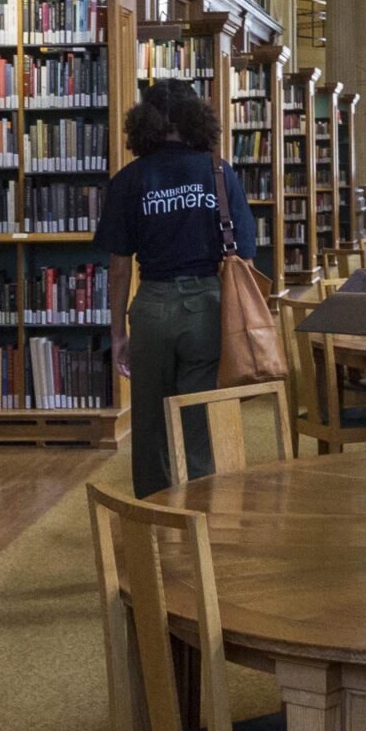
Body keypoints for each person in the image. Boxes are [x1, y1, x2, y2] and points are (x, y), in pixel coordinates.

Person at [96, 78, 260, 497]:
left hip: (151, 306)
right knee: (200, 419)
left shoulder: (129, 180)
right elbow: (245, 258)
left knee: (149, 423)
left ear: (144, 121)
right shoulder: (220, 175)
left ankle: (153, 516)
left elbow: (118, 267)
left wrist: (117, 335)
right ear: (196, 117)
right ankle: (202, 512)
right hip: (206, 305)